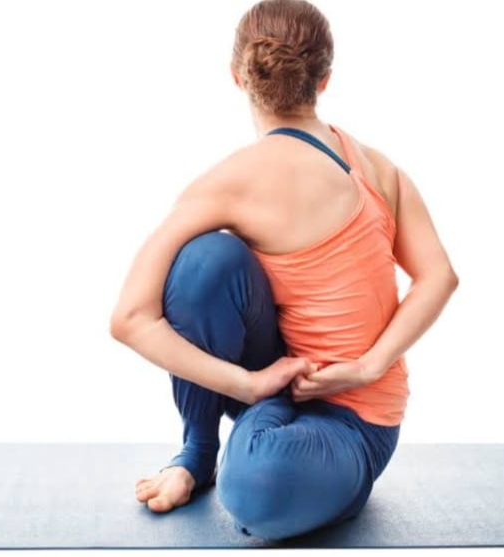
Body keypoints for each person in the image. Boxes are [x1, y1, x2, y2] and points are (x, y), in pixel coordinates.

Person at [110, 0, 458, 541]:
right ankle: (199, 454)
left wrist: (360, 370)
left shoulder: (225, 182)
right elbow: (439, 276)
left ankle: (239, 453)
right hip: (289, 386)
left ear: (237, 77)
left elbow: (130, 318)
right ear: (325, 80)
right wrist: (257, 383)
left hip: (353, 425)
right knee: (206, 264)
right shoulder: (378, 167)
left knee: (256, 487)